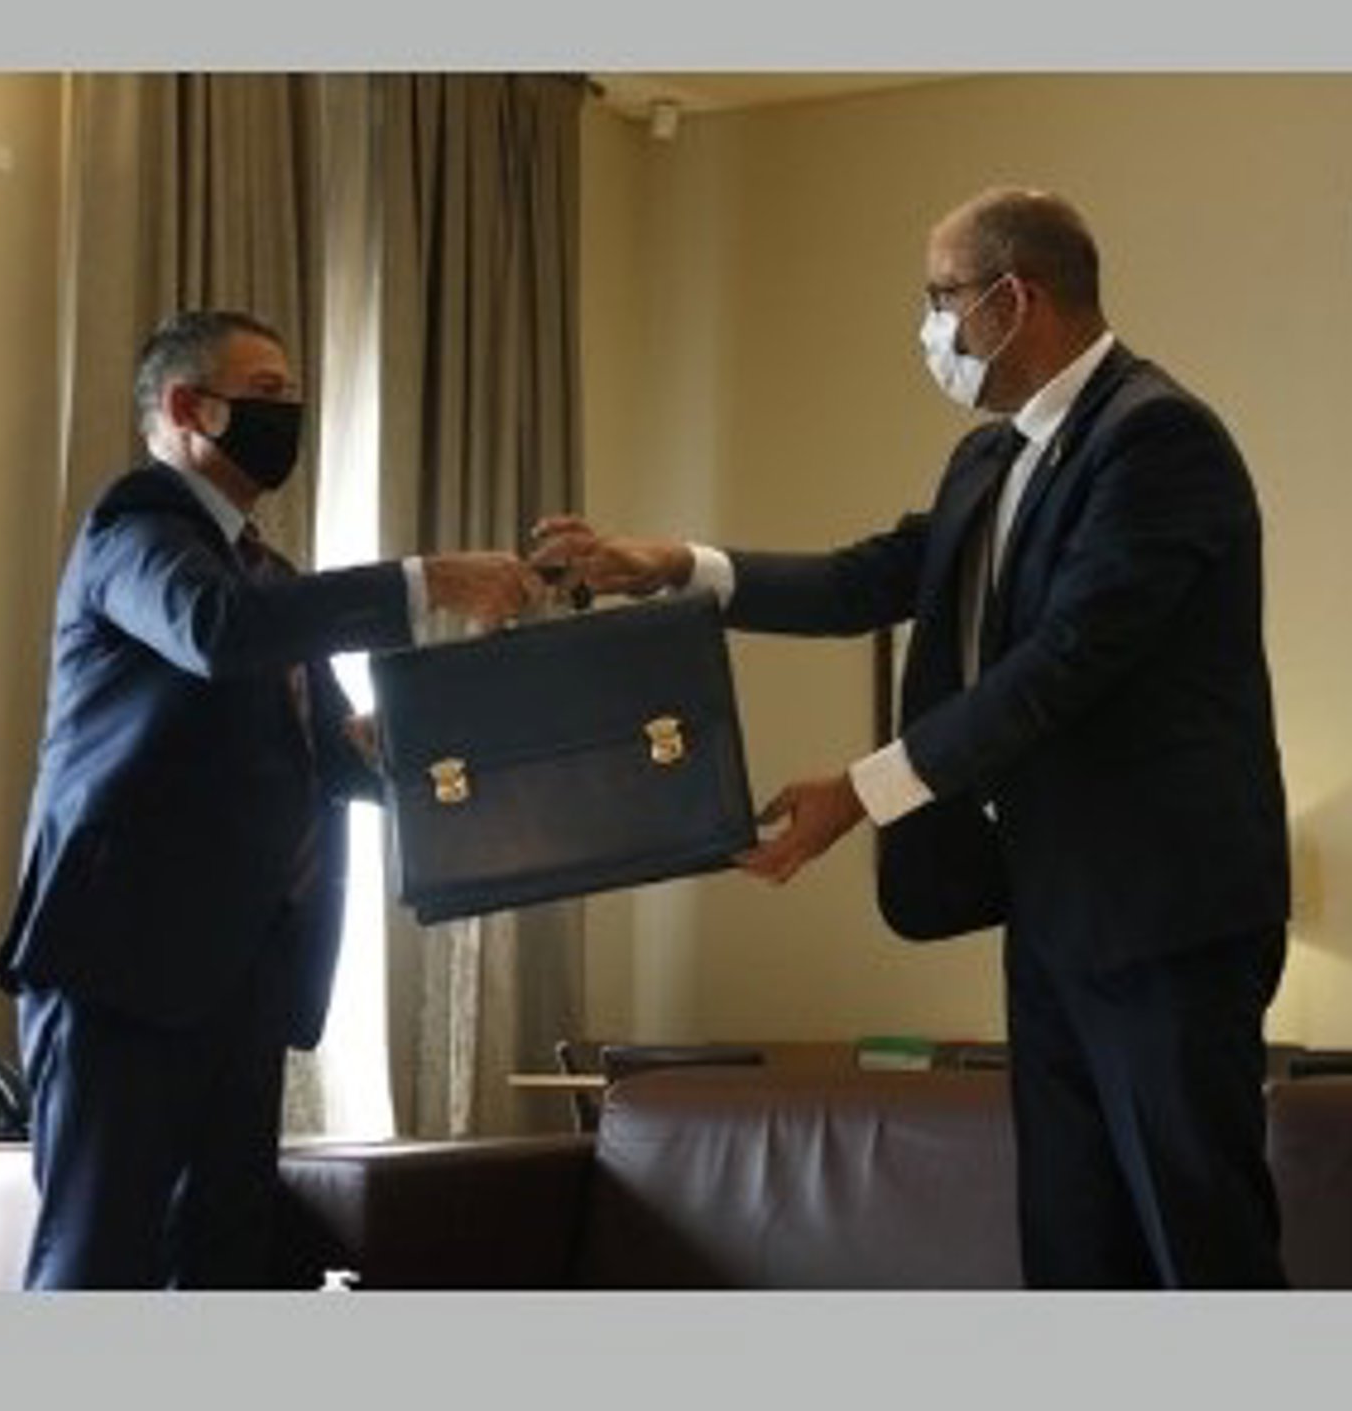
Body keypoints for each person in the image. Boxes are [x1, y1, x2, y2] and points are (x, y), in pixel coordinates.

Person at [531, 187, 1291, 1289]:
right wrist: (675, 568)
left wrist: (865, 790)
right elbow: (868, 580)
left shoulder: (1157, 439)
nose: (931, 326)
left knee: (1198, 1247)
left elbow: (1062, 665)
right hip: (1054, 912)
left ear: (1012, 299)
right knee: (1075, 1249)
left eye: (942, 297)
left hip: (1166, 921)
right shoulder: (993, 457)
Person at [0, 309, 544, 1289]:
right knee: (96, 1261)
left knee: (225, 1261)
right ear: (186, 407)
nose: (290, 412)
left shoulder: (268, 575)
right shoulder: (135, 526)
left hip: (247, 973)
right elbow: (215, 631)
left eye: (294, 392)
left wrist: (498, 742)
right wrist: (428, 583)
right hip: (124, 965)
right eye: (267, 393)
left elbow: (335, 757)